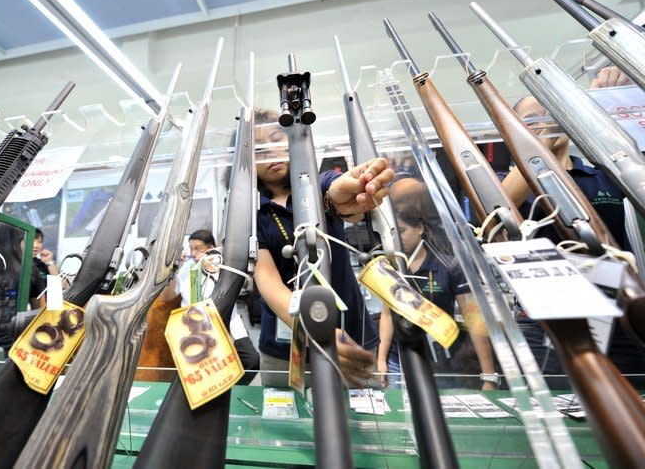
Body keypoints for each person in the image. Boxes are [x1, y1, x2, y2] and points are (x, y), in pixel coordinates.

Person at [502, 66, 645, 387]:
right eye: (531, 119)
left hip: (616, 311)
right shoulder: (513, 181)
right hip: (547, 321)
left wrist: (619, 100)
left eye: (550, 111)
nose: (544, 121)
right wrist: (535, 150)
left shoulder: (602, 173)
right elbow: (501, 205)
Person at [252, 108, 394, 387]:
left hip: (350, 339)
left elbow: (338, 196)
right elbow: (267, 280)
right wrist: (316, 330)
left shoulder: (318, 184)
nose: (271, 151)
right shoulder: (251, 212)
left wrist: (353, 191)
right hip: (284, 351)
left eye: (277, 138)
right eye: (259, 149)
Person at [376, 209, 496, 389]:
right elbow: (387, 314)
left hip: (440, 360)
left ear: (419, 228)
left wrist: (489, 376)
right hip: (399, 360)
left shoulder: (449, 266)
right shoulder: (392, 266)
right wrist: (382, 360)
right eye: (392, 233)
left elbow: (474, 319)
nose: (396, 239)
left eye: (401, 231)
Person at [162, 229, 260, 385]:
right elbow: (167, 297)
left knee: (252, 361)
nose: (193, 253)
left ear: (211, 248)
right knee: (205, 378)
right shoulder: (187, 268)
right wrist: (174, 269)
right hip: (195, 329)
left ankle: (230, 392)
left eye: (198, 248)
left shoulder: (226, 268)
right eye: (191, 248)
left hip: (229, 323)